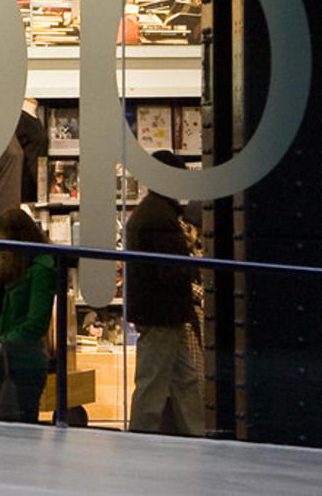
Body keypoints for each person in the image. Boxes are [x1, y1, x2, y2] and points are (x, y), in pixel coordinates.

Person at [125, 150, 205, 436]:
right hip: (163, 313)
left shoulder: (150, 213)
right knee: (158, 381)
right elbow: (170, 271)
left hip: (159, 313)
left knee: (181, 379)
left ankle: (195, 433)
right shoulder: (161, 218)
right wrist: (193, 269)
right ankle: (143, 435)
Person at [0, 208, 55, 423]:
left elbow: (36, 323)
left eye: (3, 242)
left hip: (24, 363)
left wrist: (0, 348)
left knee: (21, 427)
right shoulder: (3, 269)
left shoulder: (41, 269)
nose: (0, 250)